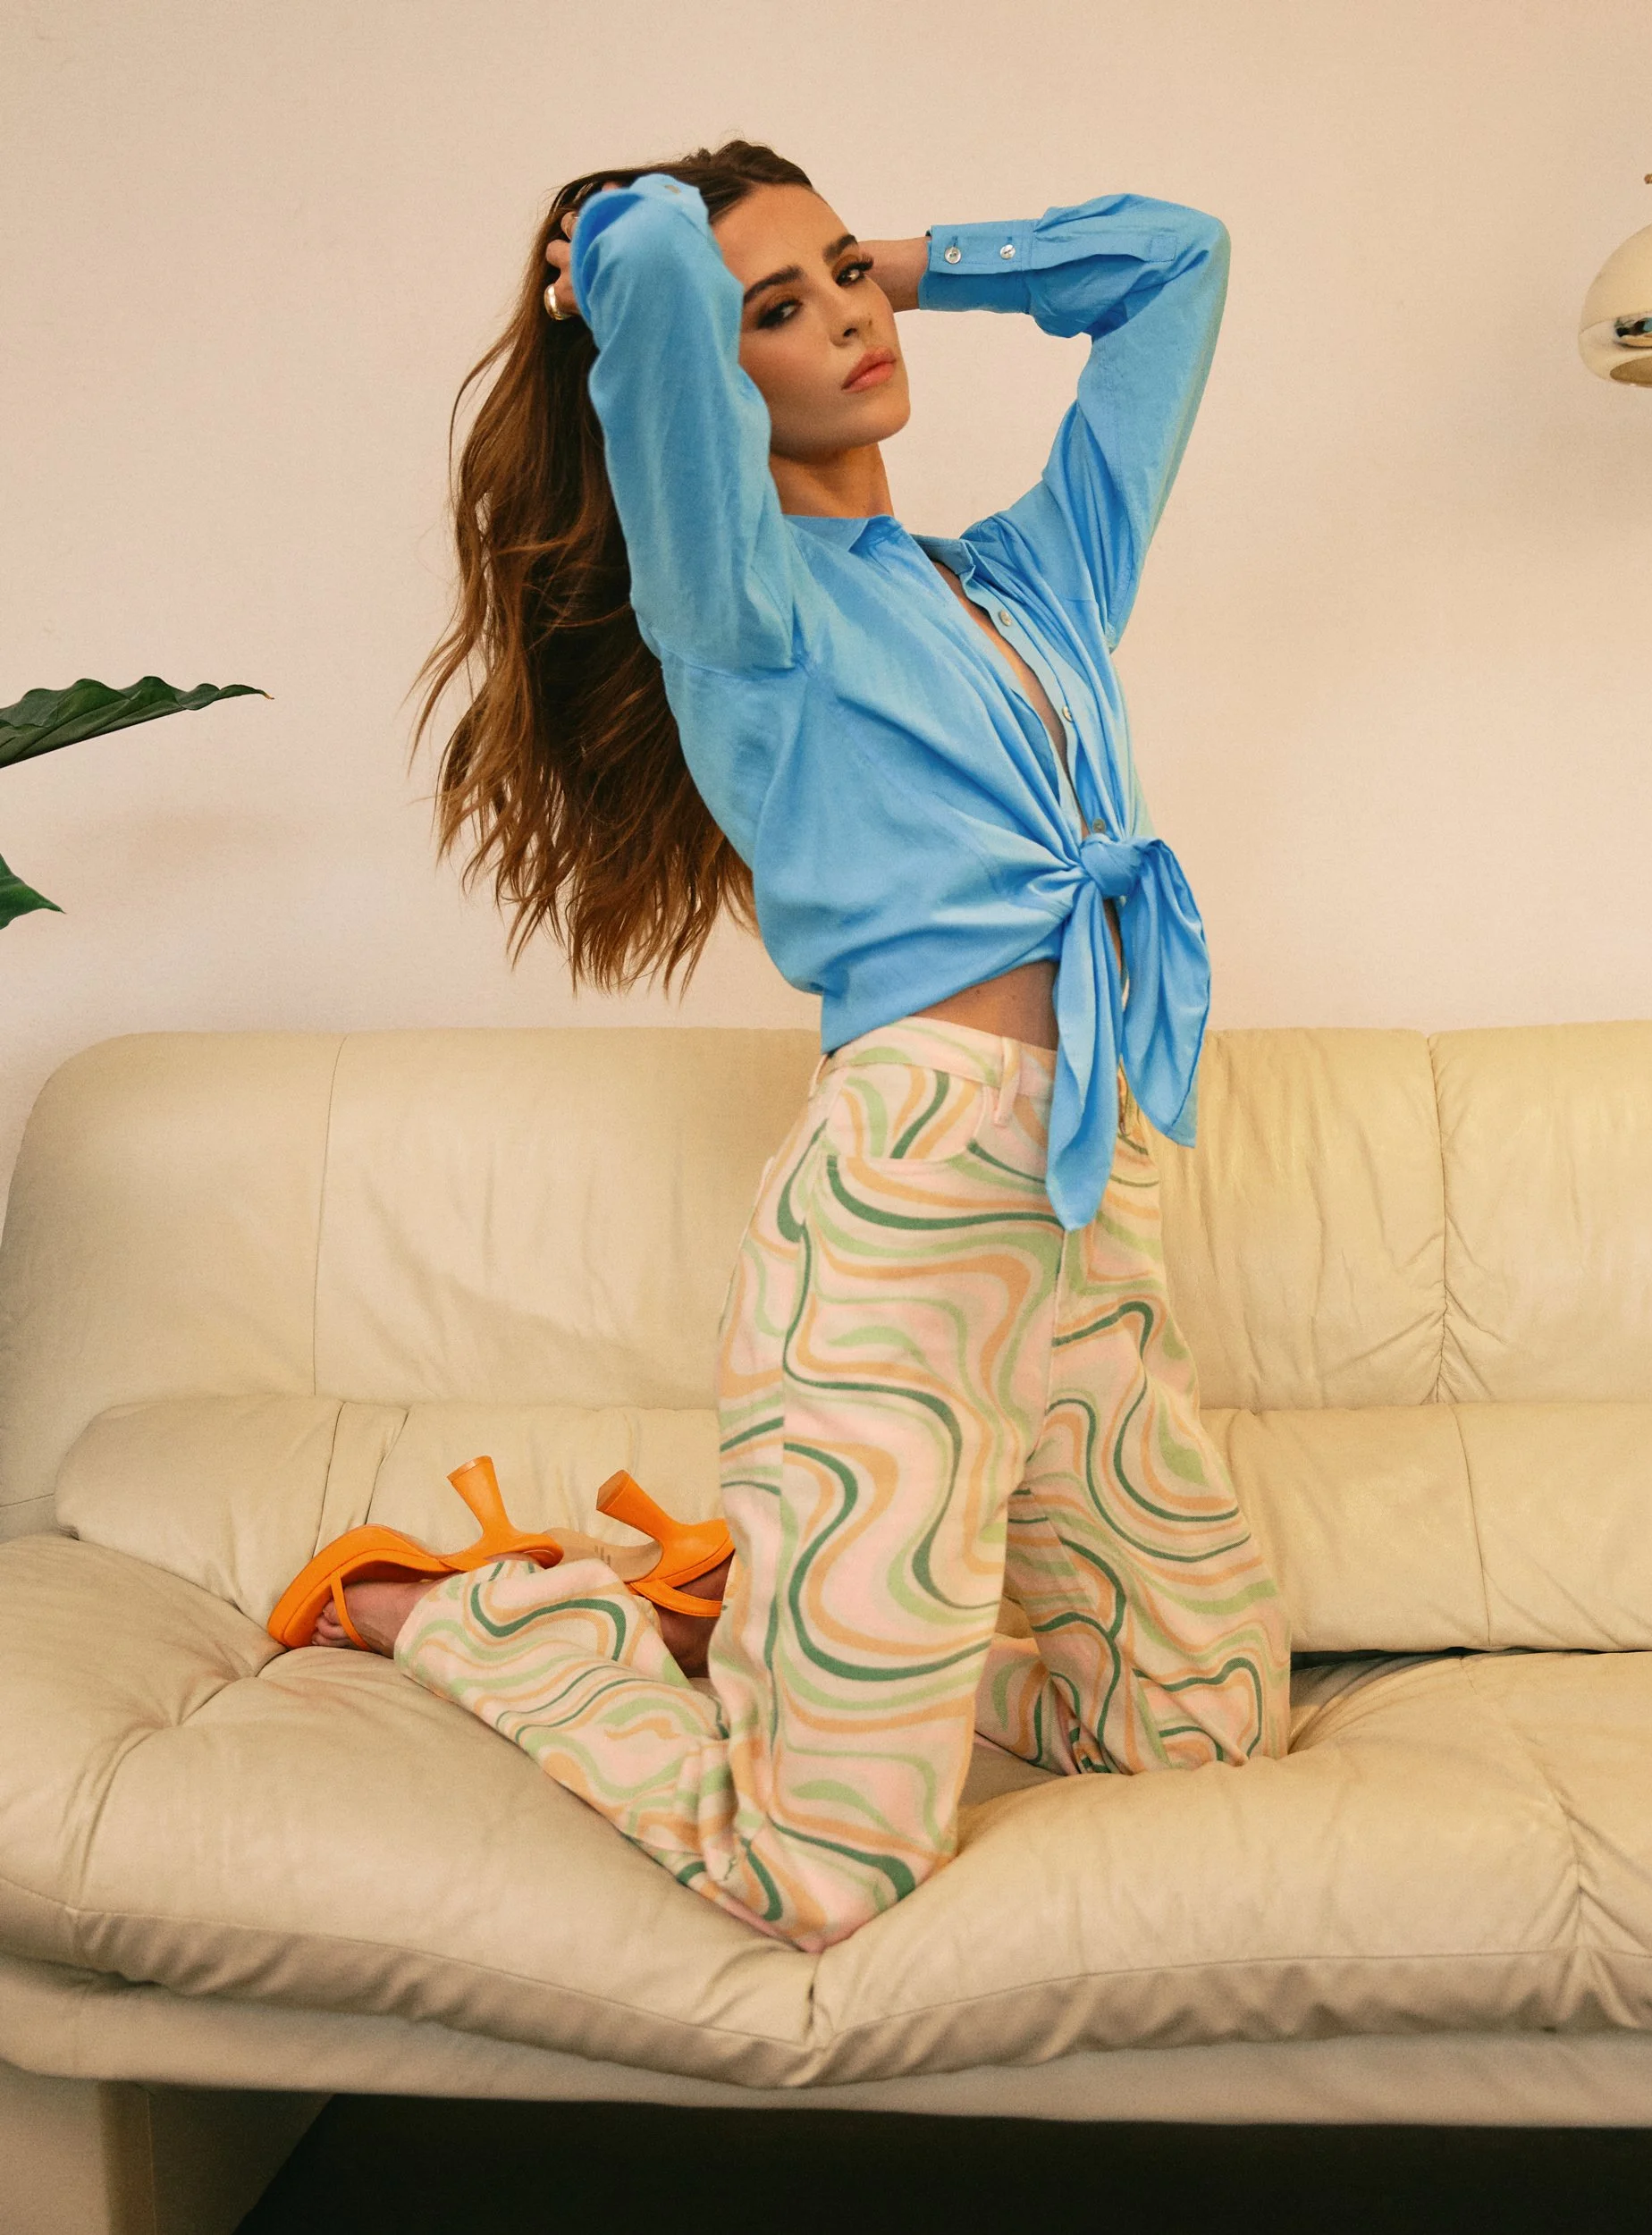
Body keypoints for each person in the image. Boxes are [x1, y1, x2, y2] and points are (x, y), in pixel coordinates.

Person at [306, 139, 1290, 1952]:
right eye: (784, 309)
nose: (842, 320)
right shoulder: (738, 609)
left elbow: (1181, 257)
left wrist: (907, 262)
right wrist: (628, 248)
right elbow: (662, 276)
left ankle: (760, 1636)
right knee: (821, 1875)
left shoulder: (1034, 580)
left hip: (1090, 1183)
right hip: (900, 1216)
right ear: (707, 369)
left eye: (844, 276)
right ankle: (490, 1608)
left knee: (1199, 1724)